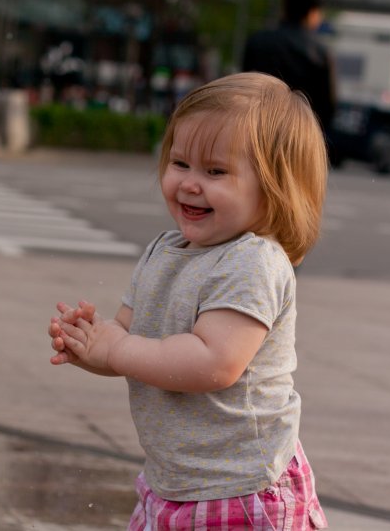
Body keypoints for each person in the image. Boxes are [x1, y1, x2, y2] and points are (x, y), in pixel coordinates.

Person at [47, 72, 329, 530]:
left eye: (215, 171)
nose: (190, 184)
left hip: (241, 487)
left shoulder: (252, 261)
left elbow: (213, 363)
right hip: (175, 482)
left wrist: (116, 349)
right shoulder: (165, 249)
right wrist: (92, 345)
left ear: (275, 184)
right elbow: (128, 338)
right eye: (180, 163)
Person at [242, 0, 336, 150]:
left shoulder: (258, 41)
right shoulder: (319, 52)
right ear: (312, 13)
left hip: (255, 128)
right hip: (296, 135)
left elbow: (243, 84)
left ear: (284, 9)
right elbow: (327, 104)